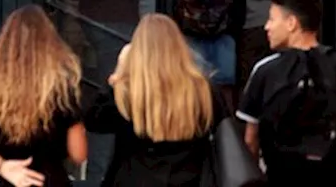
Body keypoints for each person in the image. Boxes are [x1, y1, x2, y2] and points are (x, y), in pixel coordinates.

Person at [236, 0, 336, 187]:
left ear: (291, 23)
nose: (266, 27)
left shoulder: (265, 71)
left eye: (271, 19)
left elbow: (251, 140)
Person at [85, 14, 229, 187]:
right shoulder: (203, 90)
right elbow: (224, 132)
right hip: (190, 179)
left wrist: (118, 74)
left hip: (134, 179)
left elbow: (94, 121)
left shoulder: (126, 93)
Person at [0, 5, 87, 187]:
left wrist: (0, 165)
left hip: (10, 180)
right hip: (51, 180)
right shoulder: (63, 89)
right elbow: (79, 155)